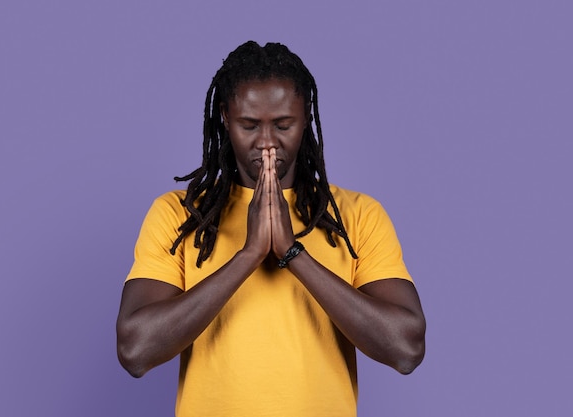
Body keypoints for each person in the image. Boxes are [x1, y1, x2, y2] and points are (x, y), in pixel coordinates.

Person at [116, 41, 426, 417]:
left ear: (306, 118)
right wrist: (249, 255)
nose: (266, 143)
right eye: (249, 125)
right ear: (225, 118)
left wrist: (292, 253)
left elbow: (406, 349)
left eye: (283, 125)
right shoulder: (179, 215)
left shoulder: (356, 216)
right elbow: (135, 352)